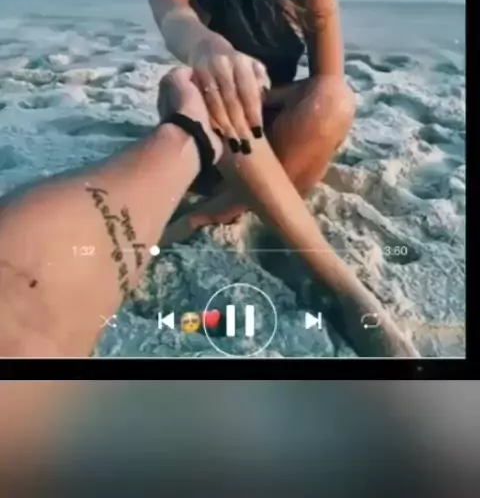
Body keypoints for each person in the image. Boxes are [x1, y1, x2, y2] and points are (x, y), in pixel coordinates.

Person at [148, 0, 417, 357]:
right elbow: (177, 23)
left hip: (284, 140)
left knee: (334, 97)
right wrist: (208, 49)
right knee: (180, 84)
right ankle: (344, 288)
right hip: (217, 146)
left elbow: (327, 79)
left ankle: (216, 212)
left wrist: (259, 92)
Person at [0, 68, 417, 358]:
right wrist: (213, 65)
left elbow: (328, 80)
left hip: (274, 130)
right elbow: (183, 28)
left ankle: (196, 137)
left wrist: (253, 95)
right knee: (21, 313)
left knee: (326, 99)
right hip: (225, 131)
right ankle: (197, 141)